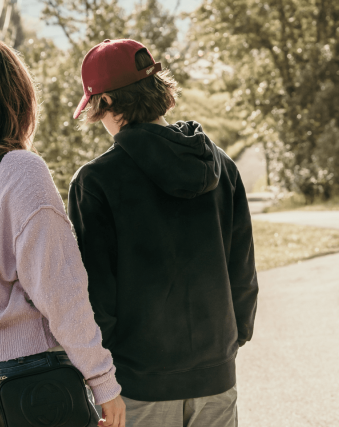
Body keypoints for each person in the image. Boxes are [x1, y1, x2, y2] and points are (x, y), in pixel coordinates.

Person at [68, 38, 259, 427]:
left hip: (139, 386)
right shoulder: (221, 166)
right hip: (217, 376)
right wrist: (225, 347)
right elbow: (243, 272)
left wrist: (101, 381)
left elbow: (95, 296)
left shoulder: (95, 181)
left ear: (103, 103)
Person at [0, 37, 126, 427]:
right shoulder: (19, 171)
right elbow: (61, 292)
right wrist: (104, 383)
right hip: (27, 380)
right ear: (15, 99)